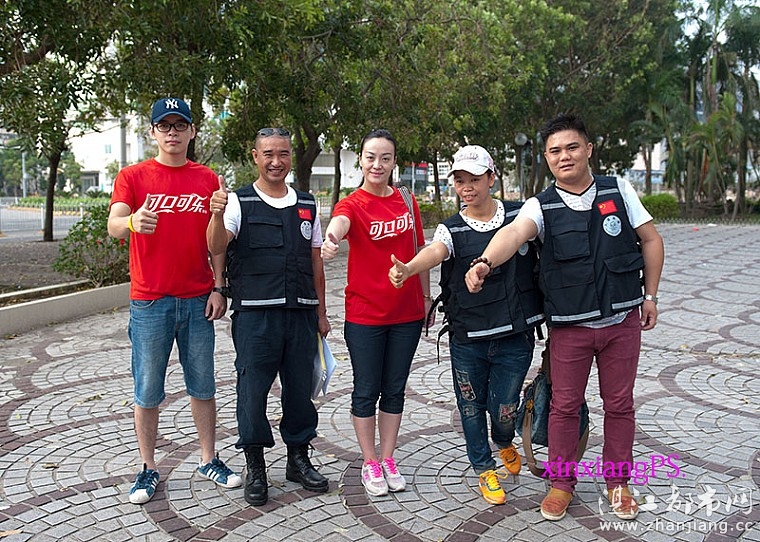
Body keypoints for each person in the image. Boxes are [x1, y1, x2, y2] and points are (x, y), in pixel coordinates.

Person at [465, 114, 664, 521]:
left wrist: (650, 297)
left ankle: (618, 482)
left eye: (572, 147)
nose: (564, 156)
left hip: (621, 321)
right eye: (555, 151)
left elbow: (651, 239)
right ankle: (561, 484)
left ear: (588, 149)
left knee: (620, 404)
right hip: (570, 327)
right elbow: (513, 234)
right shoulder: (541, 205)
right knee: (564, 406)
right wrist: (485, 261)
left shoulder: (618, 189)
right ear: (546, 158)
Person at [388, 145, 544, 505]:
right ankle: (484, 468)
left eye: (474, 179)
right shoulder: (452, 228)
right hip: (468, 337)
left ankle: (503, 439)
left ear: (492, 178)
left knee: (505, 407)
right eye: (459, 181)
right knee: (471, 406)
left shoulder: (520, 215)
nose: (467, 187)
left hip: (514, 335)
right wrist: (410, 268)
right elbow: (436, 251)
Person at [107, 97, 242, 505]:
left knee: (203, 384)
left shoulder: (207, 179)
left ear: (192, 131)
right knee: (148, 388)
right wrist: (132, 221)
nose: (172, 132)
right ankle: (147, 467)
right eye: (164, 126)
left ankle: (208, 459)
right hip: (150, 301)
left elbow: (216, 243)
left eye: (179, 125)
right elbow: (114, 224)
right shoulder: (132, 176)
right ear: (152, 132)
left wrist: (219, 286)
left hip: (198, 299)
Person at [206, 127, 331, 507]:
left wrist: (322, 313)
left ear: (291, 156)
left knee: (300, 392)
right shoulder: (237, 202)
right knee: (252, 392)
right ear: (256, 157)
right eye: (268, 154)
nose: (276, 161)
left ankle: (298, 458)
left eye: (283, 153)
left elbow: (315, 261)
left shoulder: (307, 203)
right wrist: (215, 215)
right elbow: (215, 245)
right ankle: (255, 465)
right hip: (256, 318)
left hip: (301, 314)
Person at [321, 129, 431, 497]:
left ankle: (388, 457)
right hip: (365, 315)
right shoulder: (353, 204)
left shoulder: (407, 201)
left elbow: (419, 252)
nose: (377, 165)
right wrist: (332, 239)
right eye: (370, 157)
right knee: (367, 390)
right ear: (361, 160)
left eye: (385, 158)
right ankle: (370, 461)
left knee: (395, 389)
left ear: (394, 161)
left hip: (407, 313)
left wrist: (426, 297)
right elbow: (340, 223)